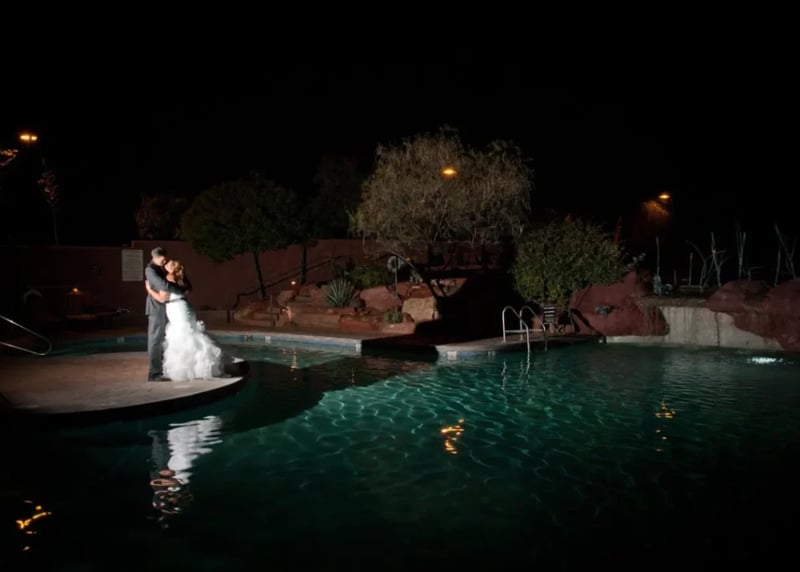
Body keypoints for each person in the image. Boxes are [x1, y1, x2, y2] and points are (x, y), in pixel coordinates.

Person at [145, 259, 225, 381]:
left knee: (182, 335)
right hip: (185, 307)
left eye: (168, 263)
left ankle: (187, 369)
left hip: (176, 308)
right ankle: (200, 367)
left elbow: (162, 299)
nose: (165, 264)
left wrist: (149, 290)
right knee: (191, 333)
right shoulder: (182, 278)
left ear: (172, 268)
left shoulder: (169, 277)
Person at [144, 247, 171, 382]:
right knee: (155, 340)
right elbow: (163, 285)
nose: (164, 261)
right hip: (156, 308)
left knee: (162, 340)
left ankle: (161, 369)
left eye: (165, 259)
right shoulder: (150, 270)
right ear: (154, 257)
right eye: (162, 259)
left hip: (163, 306)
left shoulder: (160, 267)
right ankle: (154, 373)